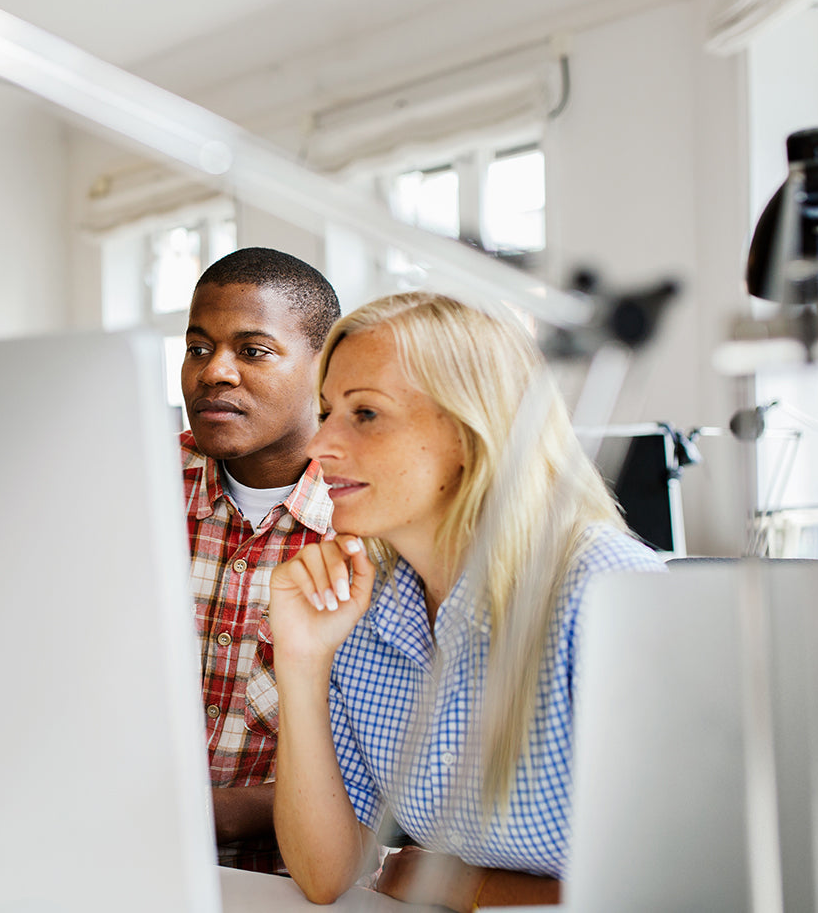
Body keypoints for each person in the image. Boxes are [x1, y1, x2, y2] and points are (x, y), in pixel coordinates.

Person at [269, 292, 666, 909]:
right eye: (325, 411)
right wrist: (300, 662)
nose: (319, 445)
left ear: (470, 429)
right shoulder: (364, 608)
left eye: (365, 414)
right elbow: (326, 875)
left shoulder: (606, 595)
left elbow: (680, 881)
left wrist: (461, 884)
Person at [180, 247, 341, 874]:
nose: (215, 372)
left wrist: (198, 813)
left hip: (293, 884)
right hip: (108, 863)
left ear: (323, 369)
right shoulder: (125, 481)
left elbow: (380, 779)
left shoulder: (368, 525)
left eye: (253, 351)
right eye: (198, 348)